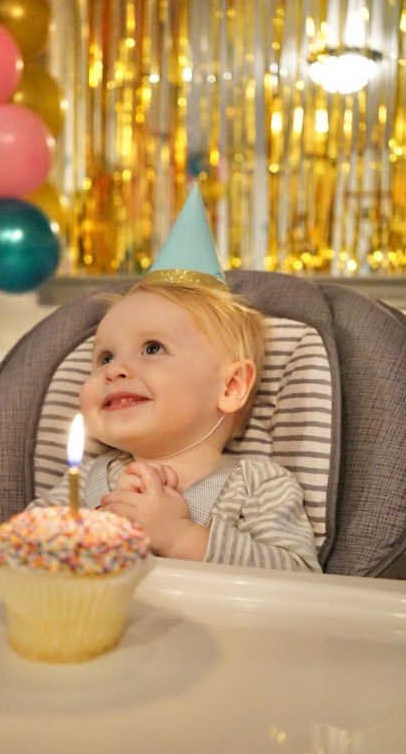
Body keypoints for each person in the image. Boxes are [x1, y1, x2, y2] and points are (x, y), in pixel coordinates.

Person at [29, 185, 322, 572]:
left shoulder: (258, 486)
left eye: (152, 348)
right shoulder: (83, 482)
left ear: (231, 386)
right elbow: (21, 553)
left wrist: (180, 536)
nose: (114, 370)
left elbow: (299, 579)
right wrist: (89, 532)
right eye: (104, 357)